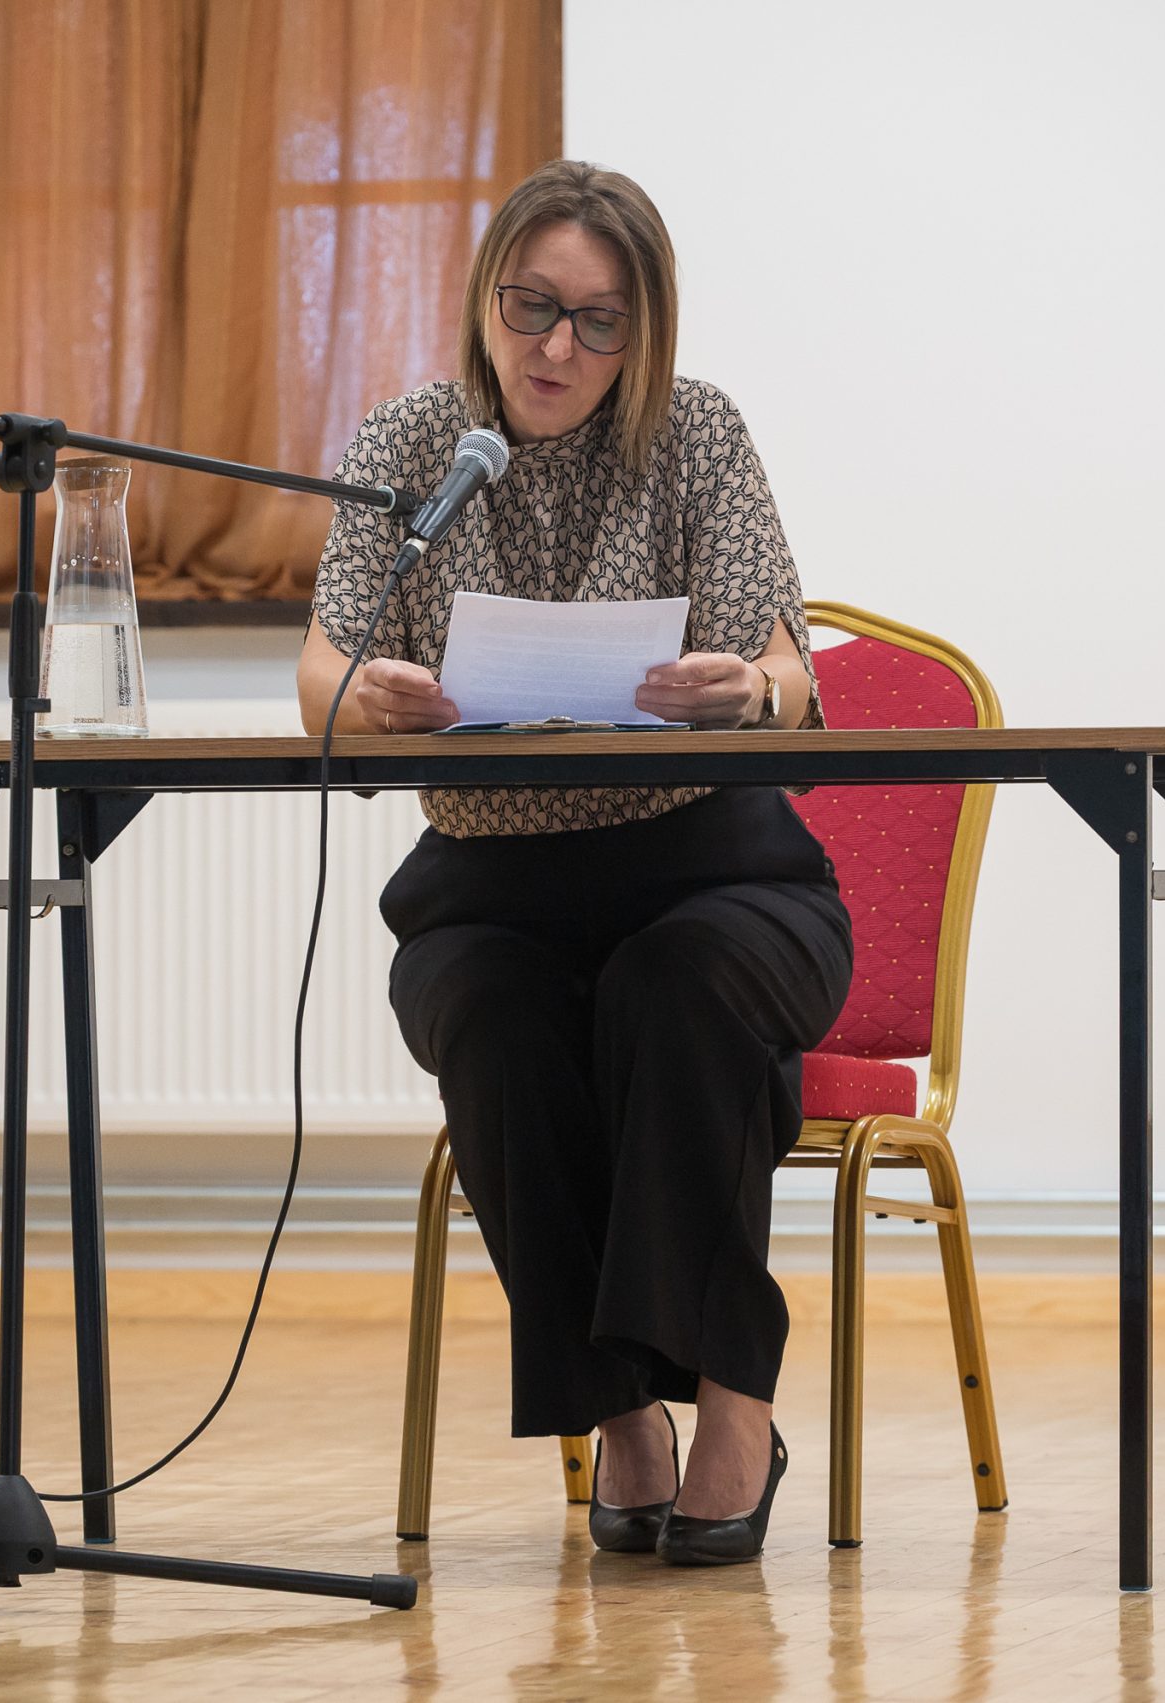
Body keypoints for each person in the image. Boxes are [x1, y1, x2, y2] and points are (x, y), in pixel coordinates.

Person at [298, 160, 851, 1566]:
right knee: (491, 1016)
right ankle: (621, 1419)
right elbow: (323, 663)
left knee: (685, 987)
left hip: (720, 877)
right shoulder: (415, 441)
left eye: (600, 321)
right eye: (532, 307)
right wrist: (360, 696)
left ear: (643, 331)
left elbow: (790, 668)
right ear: (485, 296)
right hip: (495, 895)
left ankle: (736, 1405)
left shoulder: (695, 431)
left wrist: (752, 690)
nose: (557, 348)